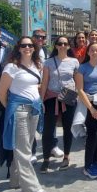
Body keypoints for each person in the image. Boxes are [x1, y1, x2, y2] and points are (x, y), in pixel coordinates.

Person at [0, 36, 48, 192]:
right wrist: (12, 108)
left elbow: (34, 85)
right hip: (19, 110)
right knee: (24, 150)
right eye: (24, 45)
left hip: (34, 109)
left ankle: (15, 180)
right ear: (18, 48)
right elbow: (1, 93)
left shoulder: (36, 65)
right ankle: (31, 188)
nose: (27, 48)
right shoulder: (11, 67)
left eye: (30, 45)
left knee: (24, 146)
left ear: (34, 48)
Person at [39, 36, 80, 173]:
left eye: (65, 43)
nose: (62, 45)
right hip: (51, 97)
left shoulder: (74, 62)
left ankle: (66, 156)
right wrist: (41, 100)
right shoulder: (48, 62)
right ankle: (46, 159)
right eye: (60, 43)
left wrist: (79, 96)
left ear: (69, 46)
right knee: (48, 130)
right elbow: (44, 82)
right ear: (56, 46)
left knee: (68, 129)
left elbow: (77, 81)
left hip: (69, 97)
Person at [76, 42, 97, 179]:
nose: (95, 52)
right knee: (91, 134)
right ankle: (87, 166)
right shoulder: (81, 68)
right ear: (88, 52)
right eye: (92, 50)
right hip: (87, 103)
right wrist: (91, 108)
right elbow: (80, 89)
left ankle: (96, 160)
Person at [30, 28, 62, 162]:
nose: (40, 39)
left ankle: (52, 145)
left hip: (45, 91)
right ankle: (32, 150)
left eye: (43, 37)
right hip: (32, 91)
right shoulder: (28, 52)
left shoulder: (46, 52)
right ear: (33, 37)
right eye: (37, 37)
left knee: (50, 120)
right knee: (32, 120)